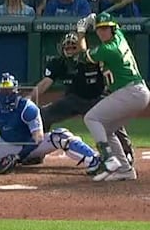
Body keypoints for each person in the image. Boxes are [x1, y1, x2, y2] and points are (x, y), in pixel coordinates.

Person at [0, 73, 101, 174]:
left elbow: (38, 137)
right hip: (7, 143)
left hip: (32, 145)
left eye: (8, 90)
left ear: (15, 92)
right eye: (3, 90)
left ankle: (94, 160)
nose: (5, 93)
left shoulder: (27, 107)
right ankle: (22, 160)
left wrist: (18, 156)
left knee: (61, 136)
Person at [31, 32, 134, 167]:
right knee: (43, 115)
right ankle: (37, 153)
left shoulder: (93, 59)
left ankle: (126, 153)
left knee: (113, 121)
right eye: (67, 48)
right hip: (73, 100)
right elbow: (45, 83)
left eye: (74, 47)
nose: (70, 51)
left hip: (97, 99)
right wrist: (30, 98)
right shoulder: (58, 63)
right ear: (61, 50)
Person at [76, 12, 150, 182]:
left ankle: (108, 159)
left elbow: (82, 56)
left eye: (106, 29)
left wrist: (81, 32)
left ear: (113, 29)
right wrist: (96, 19)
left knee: (91, 118)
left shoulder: (108, 50)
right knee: (107, 130)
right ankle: (125, 169)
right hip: (135, 93)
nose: (102, 32)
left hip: (131, 92)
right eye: (100, 29)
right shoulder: (120, 37)